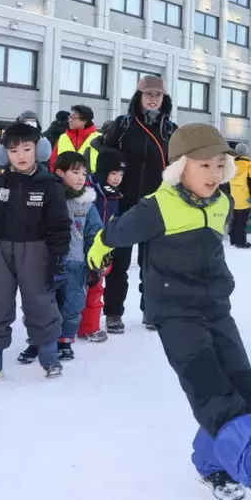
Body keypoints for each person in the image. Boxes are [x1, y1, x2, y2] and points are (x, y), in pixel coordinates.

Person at [87, 123, 251, 500]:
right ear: (179, 167)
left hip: (216, 307)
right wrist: (99, 246)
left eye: (220, 165)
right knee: (208, 387)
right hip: (174, 312)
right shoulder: (160, 205)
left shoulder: (220, 202)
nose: (214, 174)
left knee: (241, 387)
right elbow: (118, 231)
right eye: (204, 165)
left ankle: (211, 463)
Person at [0, 123, 71, 389]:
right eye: (13, 150)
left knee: (40, 303)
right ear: (4, 154)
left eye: (26, 148)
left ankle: (48, 354)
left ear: (40, 149)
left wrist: (58, 259)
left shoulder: (51, 186)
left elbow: (60, 227)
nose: (20, 155)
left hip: (37, 251)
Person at [103, 75, 177, 333]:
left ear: (164, 98)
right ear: (139, 97)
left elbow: (178, 166)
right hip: (123, 204)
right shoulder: (123, 125)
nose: (153, 99)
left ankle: (152, 311)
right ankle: (113, 312)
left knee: (154, 264)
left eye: (158, 95)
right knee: (119, 261)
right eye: (148, 95)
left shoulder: (171, 130)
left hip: (157, 205)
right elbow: (106, 158)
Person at [18, 151, 102, 363]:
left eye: (84, 173)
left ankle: (65, 340)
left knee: (73, 303)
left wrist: (95, 260)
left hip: (75, 264)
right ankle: (38, 341)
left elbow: (94, 232)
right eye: (75, 172)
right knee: (41, 304)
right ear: (59, 173)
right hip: (46, 262)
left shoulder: (87, 204)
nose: (81, 177)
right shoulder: (49, 199)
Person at [78, 148, 126, 341]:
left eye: (121, 174)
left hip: (101, 249)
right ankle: (66, 329)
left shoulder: (114, 194)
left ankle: (89, 327)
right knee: (74, 289)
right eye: (113, 173)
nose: (117, 178)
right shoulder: (88, 190)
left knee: (96, 286)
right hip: (80, 248)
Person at [49, 106, 101, 174]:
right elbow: (53, 162)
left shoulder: (99, 138)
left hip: (91, 181)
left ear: (84, 121)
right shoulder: (63, 137)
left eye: (74, 118)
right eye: (70, 117)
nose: (70, 120)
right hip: (63, 180)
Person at [228, 142, 251, 249]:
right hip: (244, 198)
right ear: (246, 152)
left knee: (234, 219)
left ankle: (233, 239)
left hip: (232, 197)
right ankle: (241, 242)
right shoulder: (249, 165)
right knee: (242, 221)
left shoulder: (230, 165)